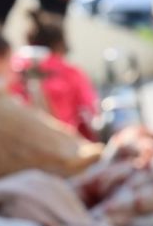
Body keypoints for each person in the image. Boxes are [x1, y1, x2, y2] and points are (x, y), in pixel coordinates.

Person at [10, 10, 98, 140]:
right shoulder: (71, 73)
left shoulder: (11, 69)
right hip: (61, 143)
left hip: (15, 142)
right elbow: (91, 112)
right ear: (60, 43)